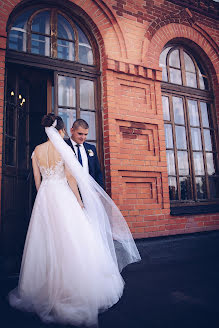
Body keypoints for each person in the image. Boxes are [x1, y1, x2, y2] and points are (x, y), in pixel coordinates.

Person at [8, 114, 141, 327]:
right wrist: (79, 202)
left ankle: (43, 287)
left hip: (45, 196)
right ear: (61, 130)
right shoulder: (64, 149)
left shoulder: (37, 151)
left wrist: (43, 197)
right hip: (63, 194)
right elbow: (70, 179)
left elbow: (36, 179)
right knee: (71, 239)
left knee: (45, 240)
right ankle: (73, 287)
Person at [65, 119, 104, 188]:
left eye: (85, 134)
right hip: (70, 189)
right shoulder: (64, 146)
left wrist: (99, 191)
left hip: (89, 189)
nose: (83, 137)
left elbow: (97, 171)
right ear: (72, 131)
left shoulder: (91, 148)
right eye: (80, 134)